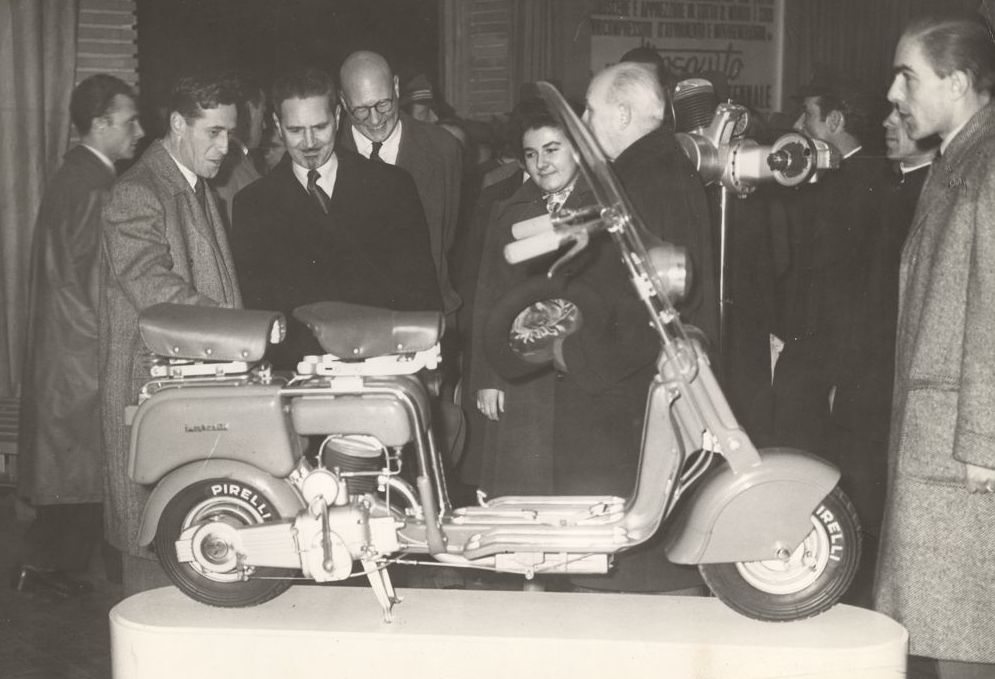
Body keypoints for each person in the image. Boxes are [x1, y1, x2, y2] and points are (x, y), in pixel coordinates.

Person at [874, 13, 995, 676]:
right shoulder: (959, 158)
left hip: (964, 455)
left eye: (907, 76)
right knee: (948, 637)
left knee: (966, 643)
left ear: (953, 82)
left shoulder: (988, 161)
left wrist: (985, 441)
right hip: (940, 442)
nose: (893, 94)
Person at [100, 72, 241, 595]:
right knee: (153, 558)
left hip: (185, 398)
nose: (226, 146)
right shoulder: (137, 192)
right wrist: (236, 330)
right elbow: (156, 289)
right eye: (214, 132)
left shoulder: (192, 185)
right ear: (179, 125)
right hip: (151, 400)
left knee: (188, 542)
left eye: (230, 133)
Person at [13, 75, 143, 597]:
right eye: (129, 120)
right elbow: (97, 284)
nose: (139, 129)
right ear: (100, 124)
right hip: (82, 353)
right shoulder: (95, 186)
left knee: (73, 474)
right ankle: (47, 573)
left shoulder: (74, 178)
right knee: (84, 472)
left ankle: (52, 571)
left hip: (65, 353)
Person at [231, 66, 441, 370]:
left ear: (338, 117)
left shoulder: (391, 186)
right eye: (295, 130)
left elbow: (421, 292)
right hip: (300, 375)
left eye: (320, 127)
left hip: (383, 366)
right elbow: (260, 313)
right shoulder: (253, 205)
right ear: (276, 124)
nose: (309, 142)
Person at [828, 107, 937, 606]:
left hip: (902, 384)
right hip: (863, 382)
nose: (889, 122)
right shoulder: (880, 186)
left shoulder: (937, 193)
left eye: (902, 114)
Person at [463, 99, 591, 496]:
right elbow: (489, 300)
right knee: (525, 483)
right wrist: (488, 377)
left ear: (578, 148)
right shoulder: (510, 213)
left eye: (552, 149)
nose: (541, 163)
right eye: (532, 154)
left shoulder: (602, 208)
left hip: (585, 371)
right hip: (525, 375)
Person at [769, 74, 888, 456]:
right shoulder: (840, 180)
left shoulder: (861, 186)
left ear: (835, 122)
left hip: (829, 350)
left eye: (808, 116)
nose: (798, 127)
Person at [337, 51, 463, 322]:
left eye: (383, 104)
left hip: (426, 315)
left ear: (395, 87)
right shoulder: (328, 152)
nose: (375, 120)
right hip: (351, 321)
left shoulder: (443, 149)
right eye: (360, 109)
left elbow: (446, 237)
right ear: (343, 101)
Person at [212, 77, 268, 228]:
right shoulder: (230, 166)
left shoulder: (242, 160)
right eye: (263, 113)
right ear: (250, 109)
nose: (264, 125)